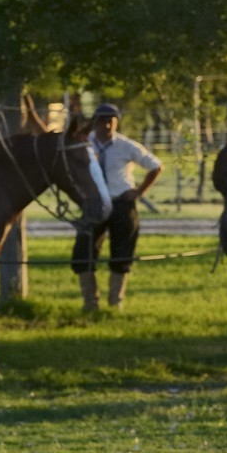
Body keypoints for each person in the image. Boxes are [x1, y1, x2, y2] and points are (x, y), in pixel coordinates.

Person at [71, 103, 161, 311]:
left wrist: (139, 192)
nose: (107, 125)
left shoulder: (126, 146)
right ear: (95, 123)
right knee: (83, 251)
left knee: (122, 252)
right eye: (103, 120)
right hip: (94, 203)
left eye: (111, 120)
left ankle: (115, 302)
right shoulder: (85, 143)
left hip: (121, 202)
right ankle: (90, 302)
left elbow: (155, 166)